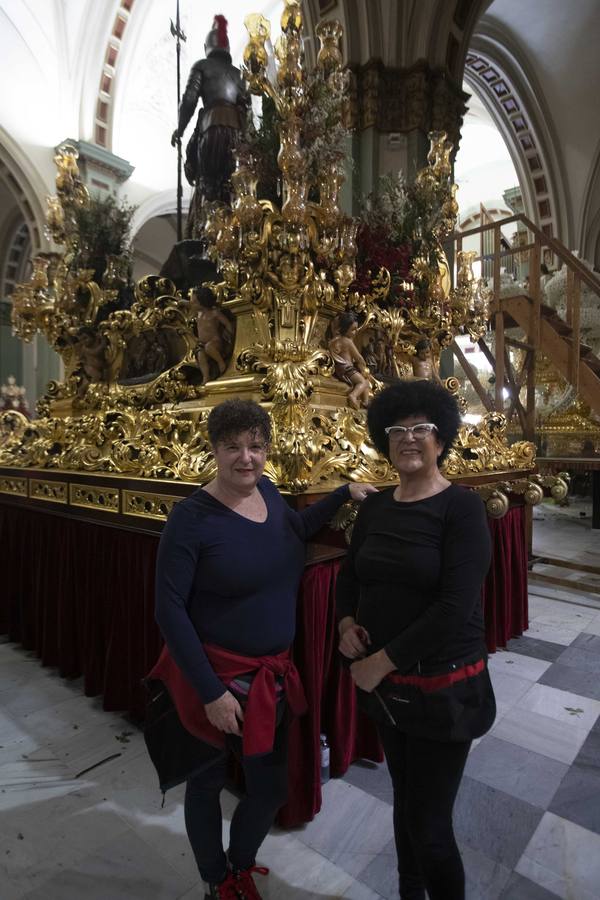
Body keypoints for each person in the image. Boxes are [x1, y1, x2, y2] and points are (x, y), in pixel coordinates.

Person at [151, 399, 375, 899]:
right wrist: (211, 693)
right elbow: (169, 611)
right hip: (210, 678)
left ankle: (240, 864)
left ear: (267, 449)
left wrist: (342, 493)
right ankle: (216, 880)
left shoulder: (270, 493)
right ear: (213, 450)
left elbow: (296, 528)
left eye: (255, 446)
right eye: (232, 447)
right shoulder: (191, 519)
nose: (245, 458)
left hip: (269, 679)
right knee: (207, 785)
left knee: (270, 789)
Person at [336, 380, 495, 900]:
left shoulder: (462, 509)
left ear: (441, 439)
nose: (408, 438)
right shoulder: (378, 507)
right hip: (389, 690)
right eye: (397, 430)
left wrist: (379, 662)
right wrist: (344, 624)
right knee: (405, 803)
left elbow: (454, 608)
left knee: (430, 825)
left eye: (421, 429)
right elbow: (352, 577)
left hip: (442, 688)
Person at [171, 15, 250, 238]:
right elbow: (248, 111)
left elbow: (189, 100)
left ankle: (205, 236)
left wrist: (180, 129)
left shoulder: (202, 66)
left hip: (212, 129)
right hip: (238, 135)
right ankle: (230, 237)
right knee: (232, 190)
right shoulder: (240, 75)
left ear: (208, 47)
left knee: (208, 185)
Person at [329, 311, 372, 408]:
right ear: (345, 329)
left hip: (339, 369)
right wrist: (363, 365)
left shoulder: (335, 340)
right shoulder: (348, 341)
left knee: (364, 379)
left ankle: (365, 403)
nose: (356, 331)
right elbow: (358, 357)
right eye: (353, 329)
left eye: (356, 329)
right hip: (347, 369)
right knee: (363, 382)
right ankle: (353, 396)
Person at [191, 285, 234, 382]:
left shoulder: (214, 313)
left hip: (215, 341)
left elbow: (227, 323)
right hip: (202, 343)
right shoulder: (198, 314)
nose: (192, 304)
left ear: (203, 302)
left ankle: (221, 363)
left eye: (195, 302)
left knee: (209, 347)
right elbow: (188, 306)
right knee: (200, 354)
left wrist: (229, 333)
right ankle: (206, 376)